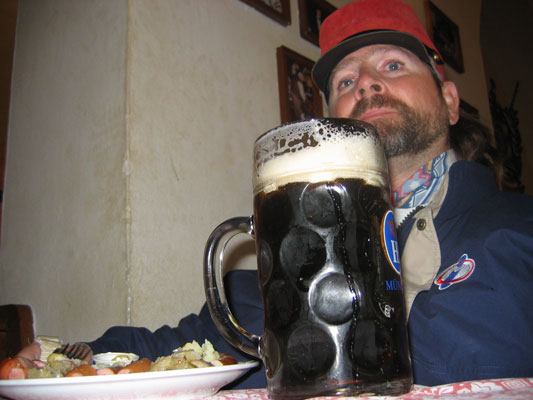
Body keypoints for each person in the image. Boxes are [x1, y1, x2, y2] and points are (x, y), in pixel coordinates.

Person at [13, 0, 533, 388]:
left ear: (448, 100)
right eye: (346, 81)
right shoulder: (284, 262)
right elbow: (177, 351)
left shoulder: (514, 231)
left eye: (393, 66)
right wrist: (71, 356)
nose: (367, 85)